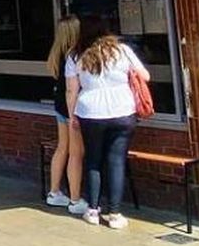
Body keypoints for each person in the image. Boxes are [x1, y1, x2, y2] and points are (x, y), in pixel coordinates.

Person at [67, 17, 149, 229]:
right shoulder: (122, 51)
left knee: (93, 160)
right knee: (116, 161)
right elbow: (145, 76)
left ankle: (92, 210)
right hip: (123, 110)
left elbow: (71, 90)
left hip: (90, 111)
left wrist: (72, 116)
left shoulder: (76, 55)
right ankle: (115, 214)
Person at [45, 15, 87, 215]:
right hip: (72, 108)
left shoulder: (56, 53)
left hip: (59, 106)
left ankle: (54, 192)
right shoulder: (73, 56)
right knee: (76, 152)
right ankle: (75, 198)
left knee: (62, 148)